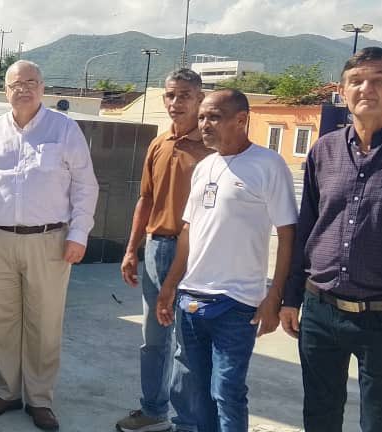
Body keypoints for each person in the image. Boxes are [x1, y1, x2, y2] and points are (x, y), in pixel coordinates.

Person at [0, 60, 99, 431]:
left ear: (43, 87)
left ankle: (39, 399)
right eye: (16, 83)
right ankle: (6, 391)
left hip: (50, 241)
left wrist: (79, 234)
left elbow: (86, 187)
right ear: (5, 90)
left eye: (32, 82)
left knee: (44, 322)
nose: (24, 89)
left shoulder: (65, 130)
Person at [155, 89, 297, 432]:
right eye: (202, 117)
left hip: (237, 304)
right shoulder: (205, 166)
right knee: (198, 392)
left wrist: (274, 297)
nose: (204, 124)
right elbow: (189, 231)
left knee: (228, 392)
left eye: (214, 117)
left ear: (241, 120)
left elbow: (288, 234)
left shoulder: (268, 165)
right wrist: (170, 287)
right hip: (191, 300)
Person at [280, 47, 382, 432]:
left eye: (378, 80)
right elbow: (308, 225)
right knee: (319, 413)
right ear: (343, 91)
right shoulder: (324, 150)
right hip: (320, 311)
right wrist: (291, 297)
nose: (367, 88)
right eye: (356, 81)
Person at [116, 69, 212, 432]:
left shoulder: (214, 148)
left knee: (188, 344)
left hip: (197, 254)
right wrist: (131, 249)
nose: (176, 103)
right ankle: (154, 411)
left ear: (200, 97)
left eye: (185, 95)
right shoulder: (159, 144)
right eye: (171, 95)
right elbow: (146, 199)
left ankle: (188, 421)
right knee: (153, 339)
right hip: (156, 250)